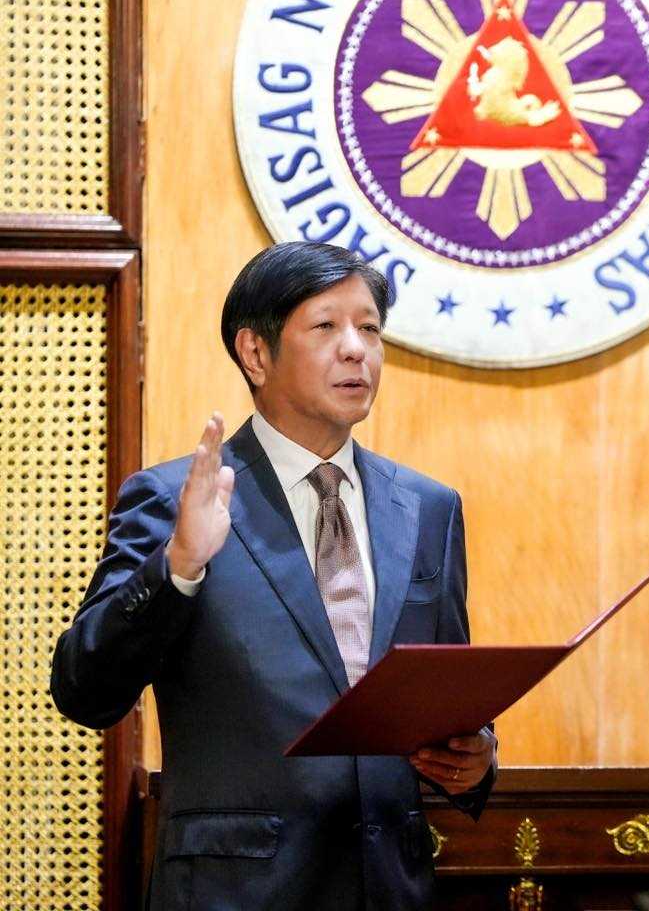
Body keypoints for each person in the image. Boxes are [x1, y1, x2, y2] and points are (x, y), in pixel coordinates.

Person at [51, 242, 498, 910]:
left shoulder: (430, 508)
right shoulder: (177, 498)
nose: (357, 350)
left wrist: (475, 759)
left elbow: (445, 694)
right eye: (326, 326)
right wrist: (178, 567)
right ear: (256, 354)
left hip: (391, 887)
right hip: (238, 890)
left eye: (370, 328)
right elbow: (84, 690)